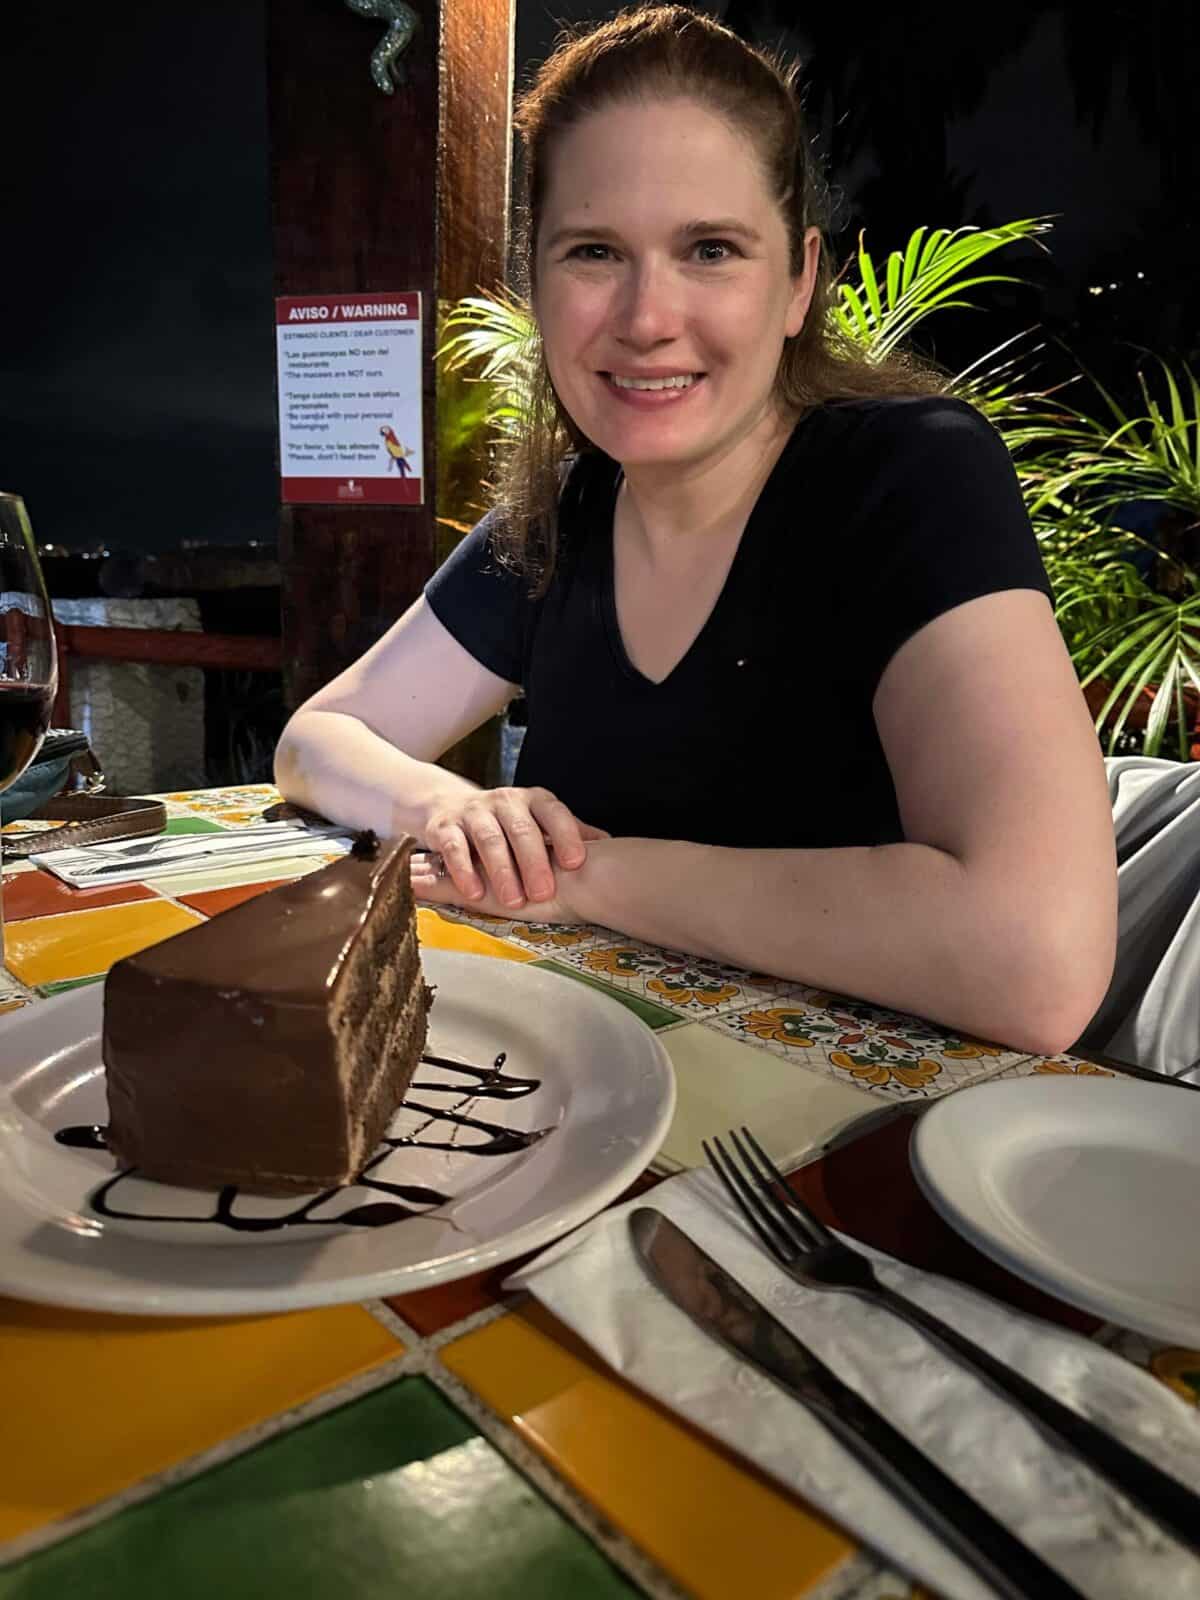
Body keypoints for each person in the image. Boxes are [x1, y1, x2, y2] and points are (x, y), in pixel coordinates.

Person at [275, 4, 1116, 1056]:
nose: (645, 317)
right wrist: (452, 808)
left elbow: (1037, 957)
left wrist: (586, 875)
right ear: (537, 282)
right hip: (592, 1094)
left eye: (710, 249)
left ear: (799, 279)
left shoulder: (909, 477)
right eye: (593, 252)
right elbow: (316, 740)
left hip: (857, 1158)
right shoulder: (558, 517)